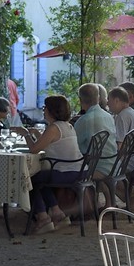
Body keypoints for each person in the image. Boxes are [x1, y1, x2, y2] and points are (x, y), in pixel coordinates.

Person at [21, 94, 84, 234]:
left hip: (66, 172)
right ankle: (57, 213)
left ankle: (43, 217)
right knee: (40, 177)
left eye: (45, 108)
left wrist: (25, 134)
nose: (43, 111)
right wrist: (37, 134)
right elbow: (52, 143)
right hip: (78, 170)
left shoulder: (54, 128)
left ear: (51, 110)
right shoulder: (67, 126)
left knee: (28, 180)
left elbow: (34, 149)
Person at [74, 83, 117, 178]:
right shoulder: (109, 117)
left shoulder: (83, 121)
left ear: (80, 100)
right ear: (98, 97)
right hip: (114, 164)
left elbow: (74, 147)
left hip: (96, 166)